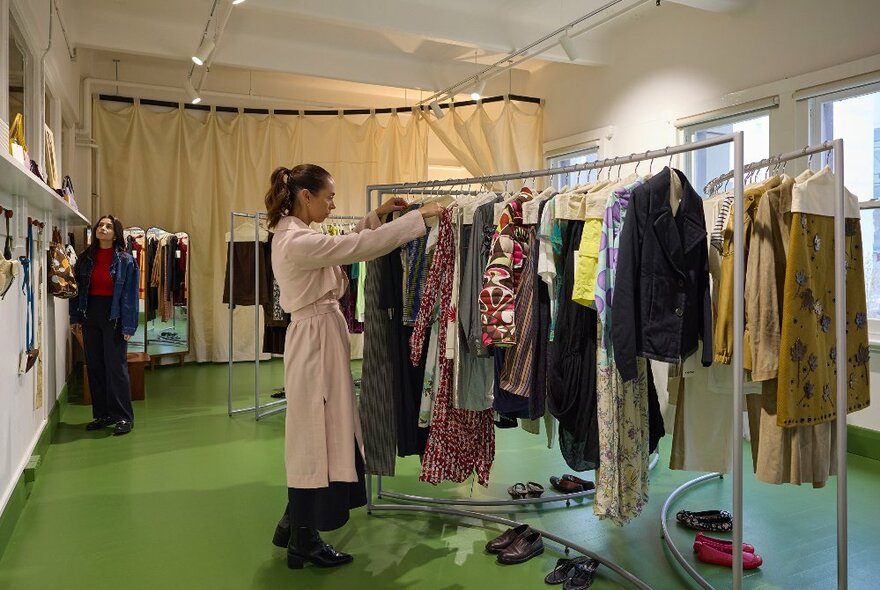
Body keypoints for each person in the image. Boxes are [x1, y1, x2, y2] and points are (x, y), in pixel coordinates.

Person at [265, 164, 442, 569]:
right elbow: (355, 249)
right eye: (327, 196)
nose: (332, 204)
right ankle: (303, 538)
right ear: (304, 196)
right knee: (314, 432)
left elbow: (344, 242)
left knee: (323, 428)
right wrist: (421, 216)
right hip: (314, 340)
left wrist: (375, 218)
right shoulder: (296, 241)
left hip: (320, 336)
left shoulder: (300, 235)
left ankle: (295, 523)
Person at [70, 215, 139, 436]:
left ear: (116, 233)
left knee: (115, 367)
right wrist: (75, 318)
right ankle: (103, 414)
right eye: (101, 225)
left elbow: (130, 295)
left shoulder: (126, 260)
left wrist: (128, 326)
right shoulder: (85, 258)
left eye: (109, 226)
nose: (104, 228)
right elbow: (76, 290)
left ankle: (123, 417)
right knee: (95, 366)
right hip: (90, 313)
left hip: (115, 315)